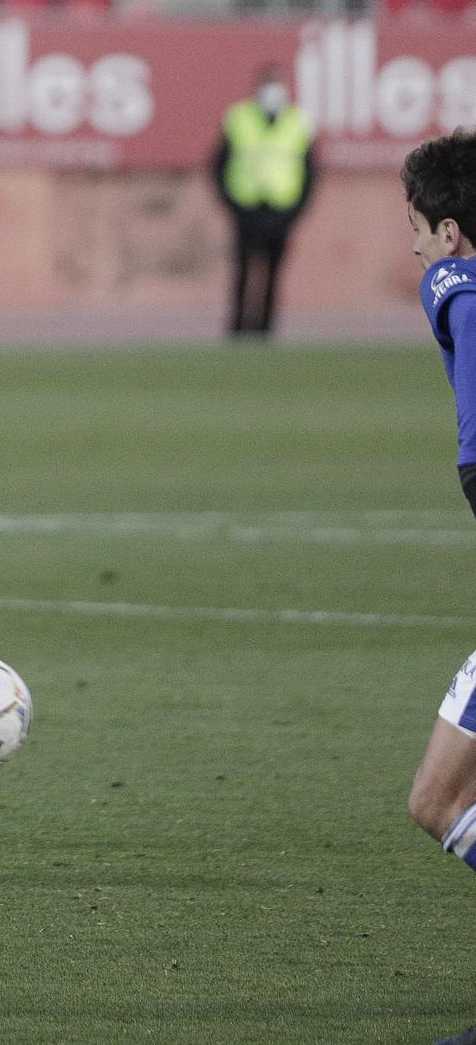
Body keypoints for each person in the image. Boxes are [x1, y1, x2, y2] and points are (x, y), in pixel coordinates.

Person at [398, 131, 476, 1045]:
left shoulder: (453, 288)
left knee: (439, 800)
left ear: (449, 230)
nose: (413, 247)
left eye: (416, 228)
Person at [212, 64, 317, 337]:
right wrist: (230, 203)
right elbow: (218, 164)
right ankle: (238, 326)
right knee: (243, 270)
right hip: (246, 207)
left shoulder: (298, 121)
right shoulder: (239, 117)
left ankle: (266, 328)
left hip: (281, 208)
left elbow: (310, 171)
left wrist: (296, 210)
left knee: (273, 272)